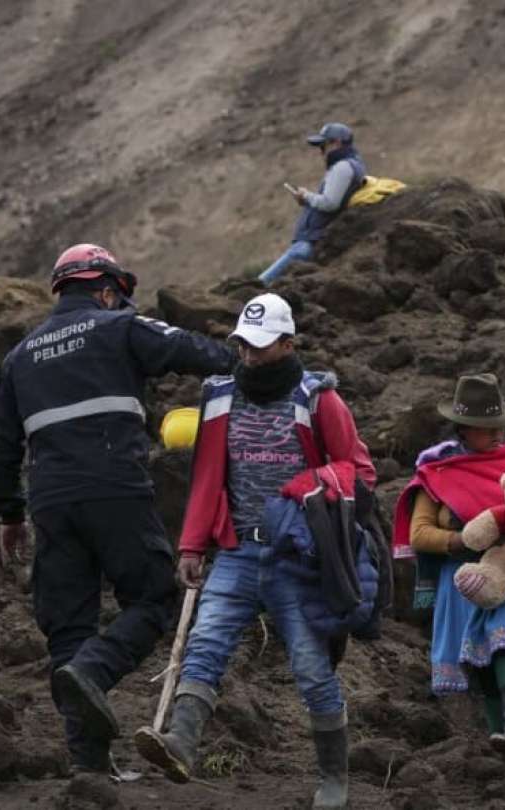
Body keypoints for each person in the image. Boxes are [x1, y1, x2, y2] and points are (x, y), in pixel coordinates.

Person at [0, 243, 235, 776]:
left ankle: (90, 770)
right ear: (105, 290)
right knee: (154, 598)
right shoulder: (118, 328)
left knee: (69, 626)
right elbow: (196, 351)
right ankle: (96, 672)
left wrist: (9, 514)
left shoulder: (19, 357)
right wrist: (251, 361)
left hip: (50, 502)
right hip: (114, 487)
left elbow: (1, 446)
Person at [134, 293, 375, 810]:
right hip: (237, 551)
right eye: (242, 345)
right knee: (205, 643)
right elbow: (206, 477)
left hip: (298, 556)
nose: (248, 357)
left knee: (311, 669)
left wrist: (305, 487)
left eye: (261, 348)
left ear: (288, 344)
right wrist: (192, 544)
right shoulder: (219, 397)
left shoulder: (319, 401)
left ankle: (334, 777)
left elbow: (359, 471)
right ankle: (180, 743)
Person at [391, 373, 505, 765]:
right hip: (463, 580)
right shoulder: (440, 470)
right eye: (488, 429)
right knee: (481, 665)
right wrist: (463, 539)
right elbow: (420, 534)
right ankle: (504, 750)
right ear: (465, 429)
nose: (498, 435)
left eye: (501, 426)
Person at [259, 122, 366, 285]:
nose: (320, 152)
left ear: (336, 143)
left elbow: (330, 203)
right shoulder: (351, 164)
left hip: (310, 243)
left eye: (323, 146)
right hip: (312, 242)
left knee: (259, 285)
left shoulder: (342, 167)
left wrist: (306, 196)